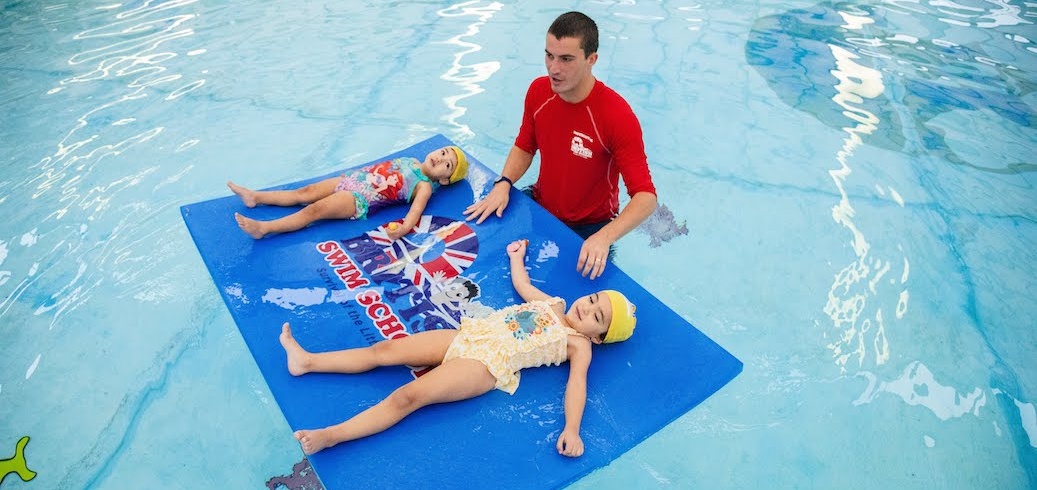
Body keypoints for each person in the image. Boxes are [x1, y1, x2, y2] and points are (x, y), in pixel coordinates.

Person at [279, 239, 638, 457]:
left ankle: (332, 436)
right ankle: (307, 361)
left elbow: (577, 386)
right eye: (593, 299)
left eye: (597, 317)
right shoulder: (555, 304)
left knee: (409, 397)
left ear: (597, 338)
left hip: (485, 364)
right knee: (385, 350)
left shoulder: (578, 345)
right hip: (468, 333)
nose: (587, 308)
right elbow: (522, 284)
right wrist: (516, 257)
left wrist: (572, 429)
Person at [464, 11, 658, 280]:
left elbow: (646, 197)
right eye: (549, 55)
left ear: (592, 60)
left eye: (566, 59)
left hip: (590, 228)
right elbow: (525, 145)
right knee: (481, 262)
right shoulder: (539, 92)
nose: (554, 68)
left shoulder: (616, 116)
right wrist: (504, 182)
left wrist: (603, 238)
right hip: (539, 204)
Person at [228, 146, 469, 240]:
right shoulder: (413, 159)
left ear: (445, 180)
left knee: (314, 211)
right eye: (444, 152)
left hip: (359, 199)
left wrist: (403, 229)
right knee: (305, 192)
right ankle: (255, 196)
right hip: (351, 181)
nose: (441, 158)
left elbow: (415, 212)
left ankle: (264, 228)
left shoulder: (424, 186)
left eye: (447, 164)